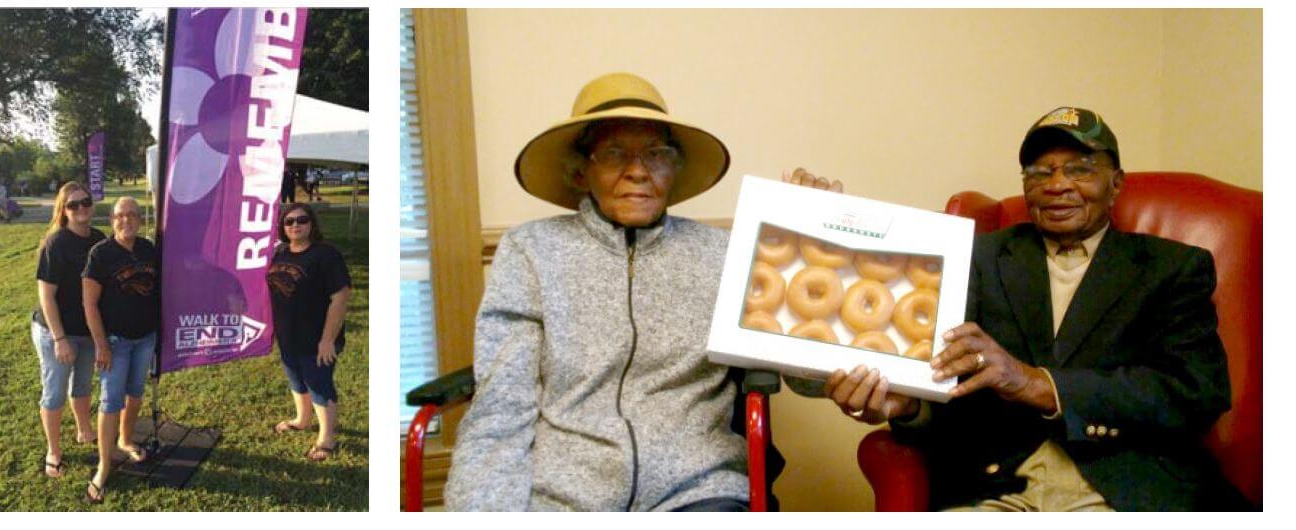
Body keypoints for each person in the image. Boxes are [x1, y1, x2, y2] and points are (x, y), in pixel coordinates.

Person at [444, 73, 841, 511]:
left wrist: (810, 240)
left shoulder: (722, 254)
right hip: (565, 498)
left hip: (699, 491)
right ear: (581, 171)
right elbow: (502, 408)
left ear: (675, 168)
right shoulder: (532, 251)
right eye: (615, 154)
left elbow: (808, 379)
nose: (638, 170)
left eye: (656, 154)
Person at [823, 106, 1245, 511]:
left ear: (1116, 183)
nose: (1057, 184)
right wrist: (910, 409)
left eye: (1080, 169)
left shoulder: (1172, 267)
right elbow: (951, 389)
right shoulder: (976, 257)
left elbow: (1195, 392)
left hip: (1126, 493)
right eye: (1040, 172)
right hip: (997, 490)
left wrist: (1036, 384)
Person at [80, 196, 158, 503]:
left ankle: (125, 440)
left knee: (135, 393)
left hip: (146, 338)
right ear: (112, 220)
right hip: (115, 342)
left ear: (140, 219)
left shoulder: (148, 248)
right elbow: (89, 303)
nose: (127, 220)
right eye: (120, 216)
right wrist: (101, 344)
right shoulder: (101, 254)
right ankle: (104, 465)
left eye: (133, 215)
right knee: (111, 401)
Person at [268, 203, 352, 461]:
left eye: (301, 220)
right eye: (289, 221)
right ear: (282, 227)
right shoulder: (280, 252)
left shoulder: (326, 255)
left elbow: (341, 296)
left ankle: (327, 438)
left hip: (317, 338)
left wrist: (327, 340)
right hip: (288, 335)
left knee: (318, 384)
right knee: (296, 379)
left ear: (312, 223)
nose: (295, 225)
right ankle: (302, 419)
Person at [33, 181, 105, 479]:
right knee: (54, 392)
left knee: (83, 385)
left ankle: (84, 430)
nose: (81, 208)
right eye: (73, 204)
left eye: (85, 201)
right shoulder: (56, 243)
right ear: (64, 210)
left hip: (87, 330)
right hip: (56, 331)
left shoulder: (100, 239)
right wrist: (60, 339)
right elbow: (46, 297)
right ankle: (54, 450)